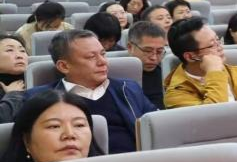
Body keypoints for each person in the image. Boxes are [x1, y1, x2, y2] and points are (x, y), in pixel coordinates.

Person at [27, 30, 155, 153]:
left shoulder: (128, 88)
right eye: (91, 57)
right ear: (64, 66)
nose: (103, 62)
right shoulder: (38, 99)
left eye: (103, 54)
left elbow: (154, 128)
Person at [164, 18, 237, 129]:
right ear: (190, 56)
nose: (220, 47)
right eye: (212, 45)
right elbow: (212, 122)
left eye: (218, 40)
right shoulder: (176, 93)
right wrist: (214, 73)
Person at [126, 20, 168, 109]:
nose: (154, 58)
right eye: (147, 51)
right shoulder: (118, 77)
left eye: (159, 52)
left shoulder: (167, 73)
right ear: (130, 47)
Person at [0, 36, 29, 124]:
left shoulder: (40, 80)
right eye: (10, 50)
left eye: (22, 51)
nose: (19, 56)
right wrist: (13, 95)